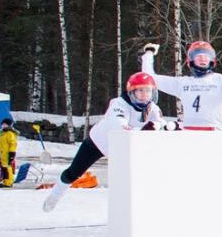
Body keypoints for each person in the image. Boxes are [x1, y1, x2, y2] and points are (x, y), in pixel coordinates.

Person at [43, 73, 167, 212]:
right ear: (131, 92)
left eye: (148, 90)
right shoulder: (119, 104)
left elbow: (160, 124)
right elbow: (120, 127)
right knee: (73, 173)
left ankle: (138, 208)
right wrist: (145, 129)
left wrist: (167, 127)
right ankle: (54, 196)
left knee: (136, 178)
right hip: (98, 143)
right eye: (140, 90)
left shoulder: (153, 108)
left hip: (122, 148)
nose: (145, 94)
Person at [140, 42, 222, 130]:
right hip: (189, 133)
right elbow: (151, 79)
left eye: (206, 56)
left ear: (212, 60)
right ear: (190, 61)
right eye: (198, 56)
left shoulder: (221, 81)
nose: (202, 58)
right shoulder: (183, 83)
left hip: (213, 133)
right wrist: (148, 55)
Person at [0, 118, 18, 187]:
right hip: (3, 154)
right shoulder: (2, 133)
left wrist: (12, 153)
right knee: (4, 168)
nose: (3, 126)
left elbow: (13, 144)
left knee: (7, 168)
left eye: (5, 125)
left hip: (8, 154)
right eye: (3, 125)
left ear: (9, 126)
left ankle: (9, 182)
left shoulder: (10, 133)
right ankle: (5, 181)